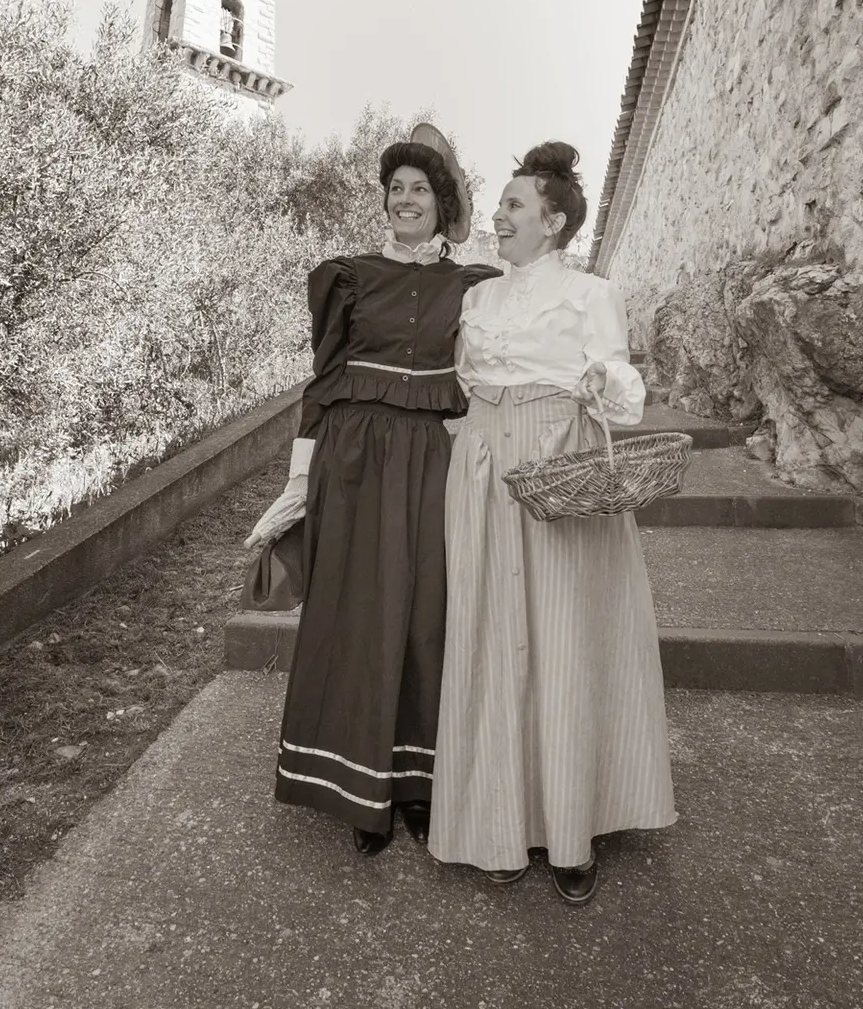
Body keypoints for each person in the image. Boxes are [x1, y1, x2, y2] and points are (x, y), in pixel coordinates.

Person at [428, 141, 676, 906]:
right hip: (479, 466)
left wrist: (601, 380)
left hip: (557, 463)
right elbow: (468, 382)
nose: (497, 216)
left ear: (553, 218)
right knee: (489, 634)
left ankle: (573, 827)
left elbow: (623, 383)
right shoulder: (478, 300)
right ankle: (497, 822)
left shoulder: (591, 294)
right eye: (501, 205)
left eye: (512, 205)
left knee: (566, 635)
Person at [245, 125, 500, 856]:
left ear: (442, 201)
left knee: (427, 611)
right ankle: (360, 791)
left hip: (431, 457)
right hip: (354, 458)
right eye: (395, 189)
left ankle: (417, 785)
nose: (405, 199)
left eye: (419, 188)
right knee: (360, 612)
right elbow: (322, 384)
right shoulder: (347, 277)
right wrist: (299, 479)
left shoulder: (472, 286)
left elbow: (492, 369)